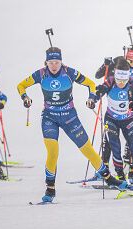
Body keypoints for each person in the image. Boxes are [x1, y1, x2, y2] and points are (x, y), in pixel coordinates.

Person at [17, 47, 125, 203]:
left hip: (69, 117)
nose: (54, 65)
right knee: (53, 152)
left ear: (61, 61)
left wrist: (91, 98)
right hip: (50, 118)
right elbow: (21, 85)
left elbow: (90, 84)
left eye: (57, 62)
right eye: (51, 62)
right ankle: (50, 188)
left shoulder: (69, 72)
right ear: (46, 62)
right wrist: (25, 97)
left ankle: (108, 178)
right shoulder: (40, 74)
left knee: (86, 148)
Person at [95, 58, 133, 187]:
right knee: (115, 148)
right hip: (111, 119)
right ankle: (121, 179)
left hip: (128, 120)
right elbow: (98, 93)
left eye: (124, 79)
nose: (121, 83)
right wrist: (94, 97)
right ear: (115, 76)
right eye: (119, 79)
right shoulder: (110, 82)